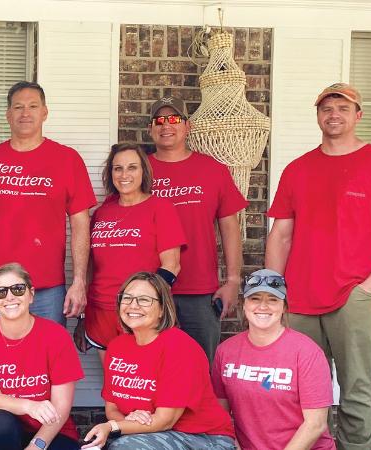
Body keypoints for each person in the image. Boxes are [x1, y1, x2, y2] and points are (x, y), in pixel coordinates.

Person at [266, 82, 371, 450]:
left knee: (355, 388)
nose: (334, 114)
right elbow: (281, 235)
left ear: (358, 115)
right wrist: (272, 291)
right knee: (300, 390)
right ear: (318, 117)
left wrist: (370, 287)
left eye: (343, 108)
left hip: (352, 296)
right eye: (326, 108)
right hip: (299, 297)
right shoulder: (298, 169)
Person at [0, 81, 96, 327]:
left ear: (45, 112)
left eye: (33, 106)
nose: (25, 113)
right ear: (8, 114)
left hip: (47, 287)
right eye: (18, 107)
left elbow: (80, 225)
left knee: (47, 359)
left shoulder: (67, 160)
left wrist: (79, 282)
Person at [81, 272, 235, 450]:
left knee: (125, 447)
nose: (133, 305)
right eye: (127, 298)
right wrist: (129, 420)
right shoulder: (117, 347)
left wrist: (113, 426)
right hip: (151, 433)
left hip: (202, 437)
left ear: (163, 308)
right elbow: (112, 409)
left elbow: (164, 421)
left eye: (144, 300)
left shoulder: (180, 348)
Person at [146, 96, 248, 362]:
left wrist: (233, 280)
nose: (166, 126)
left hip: (199, 291)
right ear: (150, 129)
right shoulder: (139, 171)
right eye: (159, 120)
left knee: (201, 366)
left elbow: (229, 227)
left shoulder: (212, 170)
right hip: (149, 288)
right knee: (151, 366)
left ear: (187, 126)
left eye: (174, 119)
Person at [212, 269, 336, 450]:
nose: (263, 306)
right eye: (255, 298)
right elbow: (219, 415)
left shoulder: (307, 353)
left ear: (284, 307)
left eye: (272, 299)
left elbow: (315, 424)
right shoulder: (225, 352)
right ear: (243, 304)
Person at [0, 263, 84, 450]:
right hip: (0, 426)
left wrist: (38, 444)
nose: (10, 297)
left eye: (18, 289)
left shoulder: (56, 336)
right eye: (1, 292)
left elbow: (61, 405)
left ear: (31, 294)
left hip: (51, 427)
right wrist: (30, 406)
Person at [81, 144, 185, 357]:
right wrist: (84, 308)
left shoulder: (160, 208)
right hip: (101, 310)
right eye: (117, 168)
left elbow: (171, 265)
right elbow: (90, 265)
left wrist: (147, 305)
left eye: (132, 167)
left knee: (144, 380)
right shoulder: (101, 213)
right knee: (114, 381)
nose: (124, 174)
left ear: (143, 171)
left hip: (140, 312)